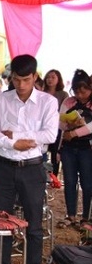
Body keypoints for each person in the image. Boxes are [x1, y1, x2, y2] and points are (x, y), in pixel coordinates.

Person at [0, 54, 59, 264]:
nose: (21, 85)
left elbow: (50, 135)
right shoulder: (2, 100)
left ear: (35, 77)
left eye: (26, 80)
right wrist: (10, 143)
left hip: (32, 168)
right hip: (5, 167)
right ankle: (3, 263)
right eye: (16, 79)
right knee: (2, 218)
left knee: (33, 221)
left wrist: (14, 136)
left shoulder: (47, 102)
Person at [58, 69, 92, 228]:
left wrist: (76, 132)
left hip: (87, 148)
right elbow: (59, 123)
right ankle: (71, 215)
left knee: (87, 183)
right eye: (76, 91)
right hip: (69, 148)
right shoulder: (68, 102)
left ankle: (86, 217)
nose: (80, 95)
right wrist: (69, 125)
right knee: (69, 181)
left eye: (83, 91)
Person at [43, 69, 69, 176]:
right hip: (43, 125)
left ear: (58, 79)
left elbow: (65, 111)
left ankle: (54, 175)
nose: (50, 79)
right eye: (48, 77)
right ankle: (43, 173)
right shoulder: (41, 93)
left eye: (53, 77)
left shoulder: (63, 94)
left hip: (57, 126)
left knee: (55, 152)